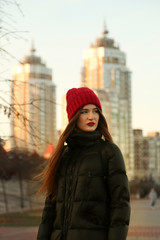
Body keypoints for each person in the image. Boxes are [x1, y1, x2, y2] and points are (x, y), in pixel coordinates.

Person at [37, 87, 131, 240]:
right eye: (84, 112)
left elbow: (120, 206)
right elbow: (49, 209)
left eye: (95, 111)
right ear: (74, 116)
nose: (91, 117)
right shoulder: (63, 155)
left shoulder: (109, 152)